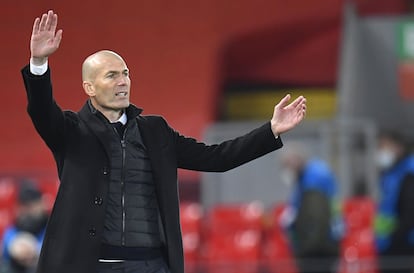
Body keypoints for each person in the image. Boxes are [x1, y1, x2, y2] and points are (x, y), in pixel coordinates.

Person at [21, 10, 306, 273]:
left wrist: (271, 130)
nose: (123, 81)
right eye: (112, 75)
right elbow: (42, 110)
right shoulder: (72, 130)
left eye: (126, 74)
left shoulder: (154, 131)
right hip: (93, 265)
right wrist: (38, 63)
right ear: (89, 87)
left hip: (151, 265)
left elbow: (217, 158)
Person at [279, 143, 342, 273]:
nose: (286, 170)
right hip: (321, 245)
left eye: (287, 165)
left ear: (296, 161)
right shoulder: (306, 179)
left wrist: (304, 249)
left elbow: (317, 219)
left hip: (317, 250)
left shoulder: (314, 180)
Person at [374, 130, 414, 273]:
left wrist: (393, 237)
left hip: (401, 244)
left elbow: (409, 214)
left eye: (384, 146)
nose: (381, 151)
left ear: (398, 148)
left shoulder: (408, 173)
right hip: (389, 243)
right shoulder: (392, 172)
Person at [0, 182, 48, 273]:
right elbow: (9, 240)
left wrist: (35, 250)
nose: (28, 210)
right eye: (24, 205)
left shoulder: (50, 225)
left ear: (41, 204)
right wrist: (16, 247)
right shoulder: (15, 226)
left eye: (32, 205)